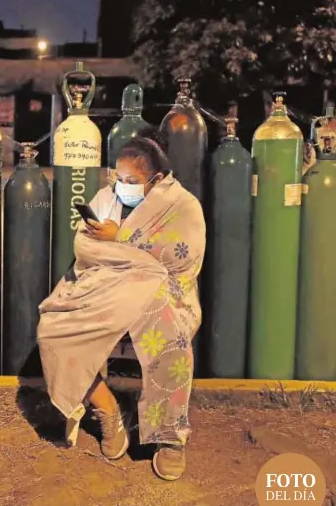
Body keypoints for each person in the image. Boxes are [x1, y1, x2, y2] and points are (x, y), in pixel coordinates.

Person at [37, 136, 206, 481]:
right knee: (54, 331)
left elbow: (180, 255)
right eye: (118, 179)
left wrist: (120, 239)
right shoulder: (105, 197)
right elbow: (84, 248)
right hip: (104, 288)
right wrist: (120, 252)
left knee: (169, 337)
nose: (122, 187)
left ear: (156, 179)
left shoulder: (181, 205)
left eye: (132, 181)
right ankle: (108, 409)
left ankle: (169, 437)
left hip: (160, 291)